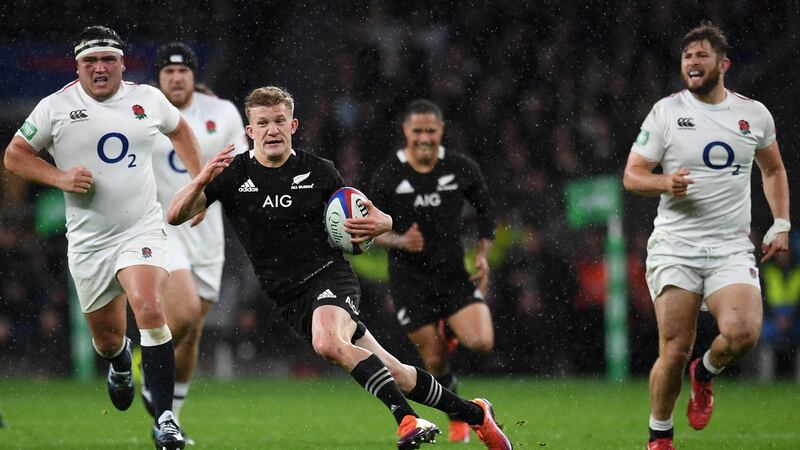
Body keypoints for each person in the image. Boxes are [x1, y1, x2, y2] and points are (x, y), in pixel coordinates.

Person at [167, 86, 513, 450]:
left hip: (330, 277)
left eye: (279, 121)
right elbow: (175, 215)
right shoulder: (232, 174)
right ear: (250, 131)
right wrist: (202, 178)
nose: (272, 130)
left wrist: (382, 223)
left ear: (293, 125)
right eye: (263, 123)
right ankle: (477, 414)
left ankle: (407, 419)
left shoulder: (319, 171)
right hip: (289, 298)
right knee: (393, 371)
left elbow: (372, 214)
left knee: (327, 342)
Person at [3, 26, 204, 450]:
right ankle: (119, 362)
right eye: (90, 60)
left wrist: (197, 183)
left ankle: (165, 419)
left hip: (142, 229)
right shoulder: (54, 107)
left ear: (121, 63)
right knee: (108, 341)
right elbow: (14, 156)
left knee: (150, 307)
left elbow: (180, 129)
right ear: (77, 66)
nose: (99, 67)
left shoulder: (147, 99)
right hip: (90, 242)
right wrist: (58, 176)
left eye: (107, 59)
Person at [623, 23, 790, 450]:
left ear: (723, 64)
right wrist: (664, 184)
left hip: (730, 245)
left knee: (743, 332)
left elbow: (772, 169)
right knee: (674, 348)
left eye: (701, 55)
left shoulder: (754, 114)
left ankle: (706, 372)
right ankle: (659, 436)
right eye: (687, 57)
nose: (693, 63)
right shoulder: (666, 112)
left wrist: (781, 222)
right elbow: (632, 175)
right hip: (676, 245)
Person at [368, 99, 497, 443]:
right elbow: (369, 230)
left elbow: (487, 210)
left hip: (453, 276)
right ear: (405, 131)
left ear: (441, 131)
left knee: (482, 342)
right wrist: (398, 240)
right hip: (410, 283)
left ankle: (452, 330)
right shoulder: (388, 175)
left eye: (431, 130)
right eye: (417, 130)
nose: (424, 137)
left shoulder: (460, 167)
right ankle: (459, 412)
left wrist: (482, 254)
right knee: (435, 362)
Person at [142, 42, 248, 444]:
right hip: (161, 228)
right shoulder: (143, 113)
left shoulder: (220, 113)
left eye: (182, 70)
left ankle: (169, 415)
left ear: (193, 74)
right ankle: (151, 352)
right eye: (168, 72)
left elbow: (241, 162)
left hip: (208, 233)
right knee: (183, 314)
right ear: (159, 78)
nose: (176, 78)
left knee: (192, 330)